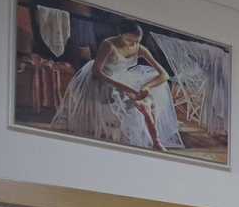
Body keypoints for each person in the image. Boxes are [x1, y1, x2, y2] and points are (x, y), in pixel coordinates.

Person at [51, 20, 181, 153]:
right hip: (104, 80)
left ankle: (156, 140)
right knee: (136, 102)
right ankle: (155, 141)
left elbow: (164, 75)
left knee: (149, 98)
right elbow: (96, 71)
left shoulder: (139, 48)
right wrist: (122, 87)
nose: (133, 44)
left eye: (137, 41)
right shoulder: (109, 45)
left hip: (125, 78)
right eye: (129, 40)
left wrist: (146, 86)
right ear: (121, 34)